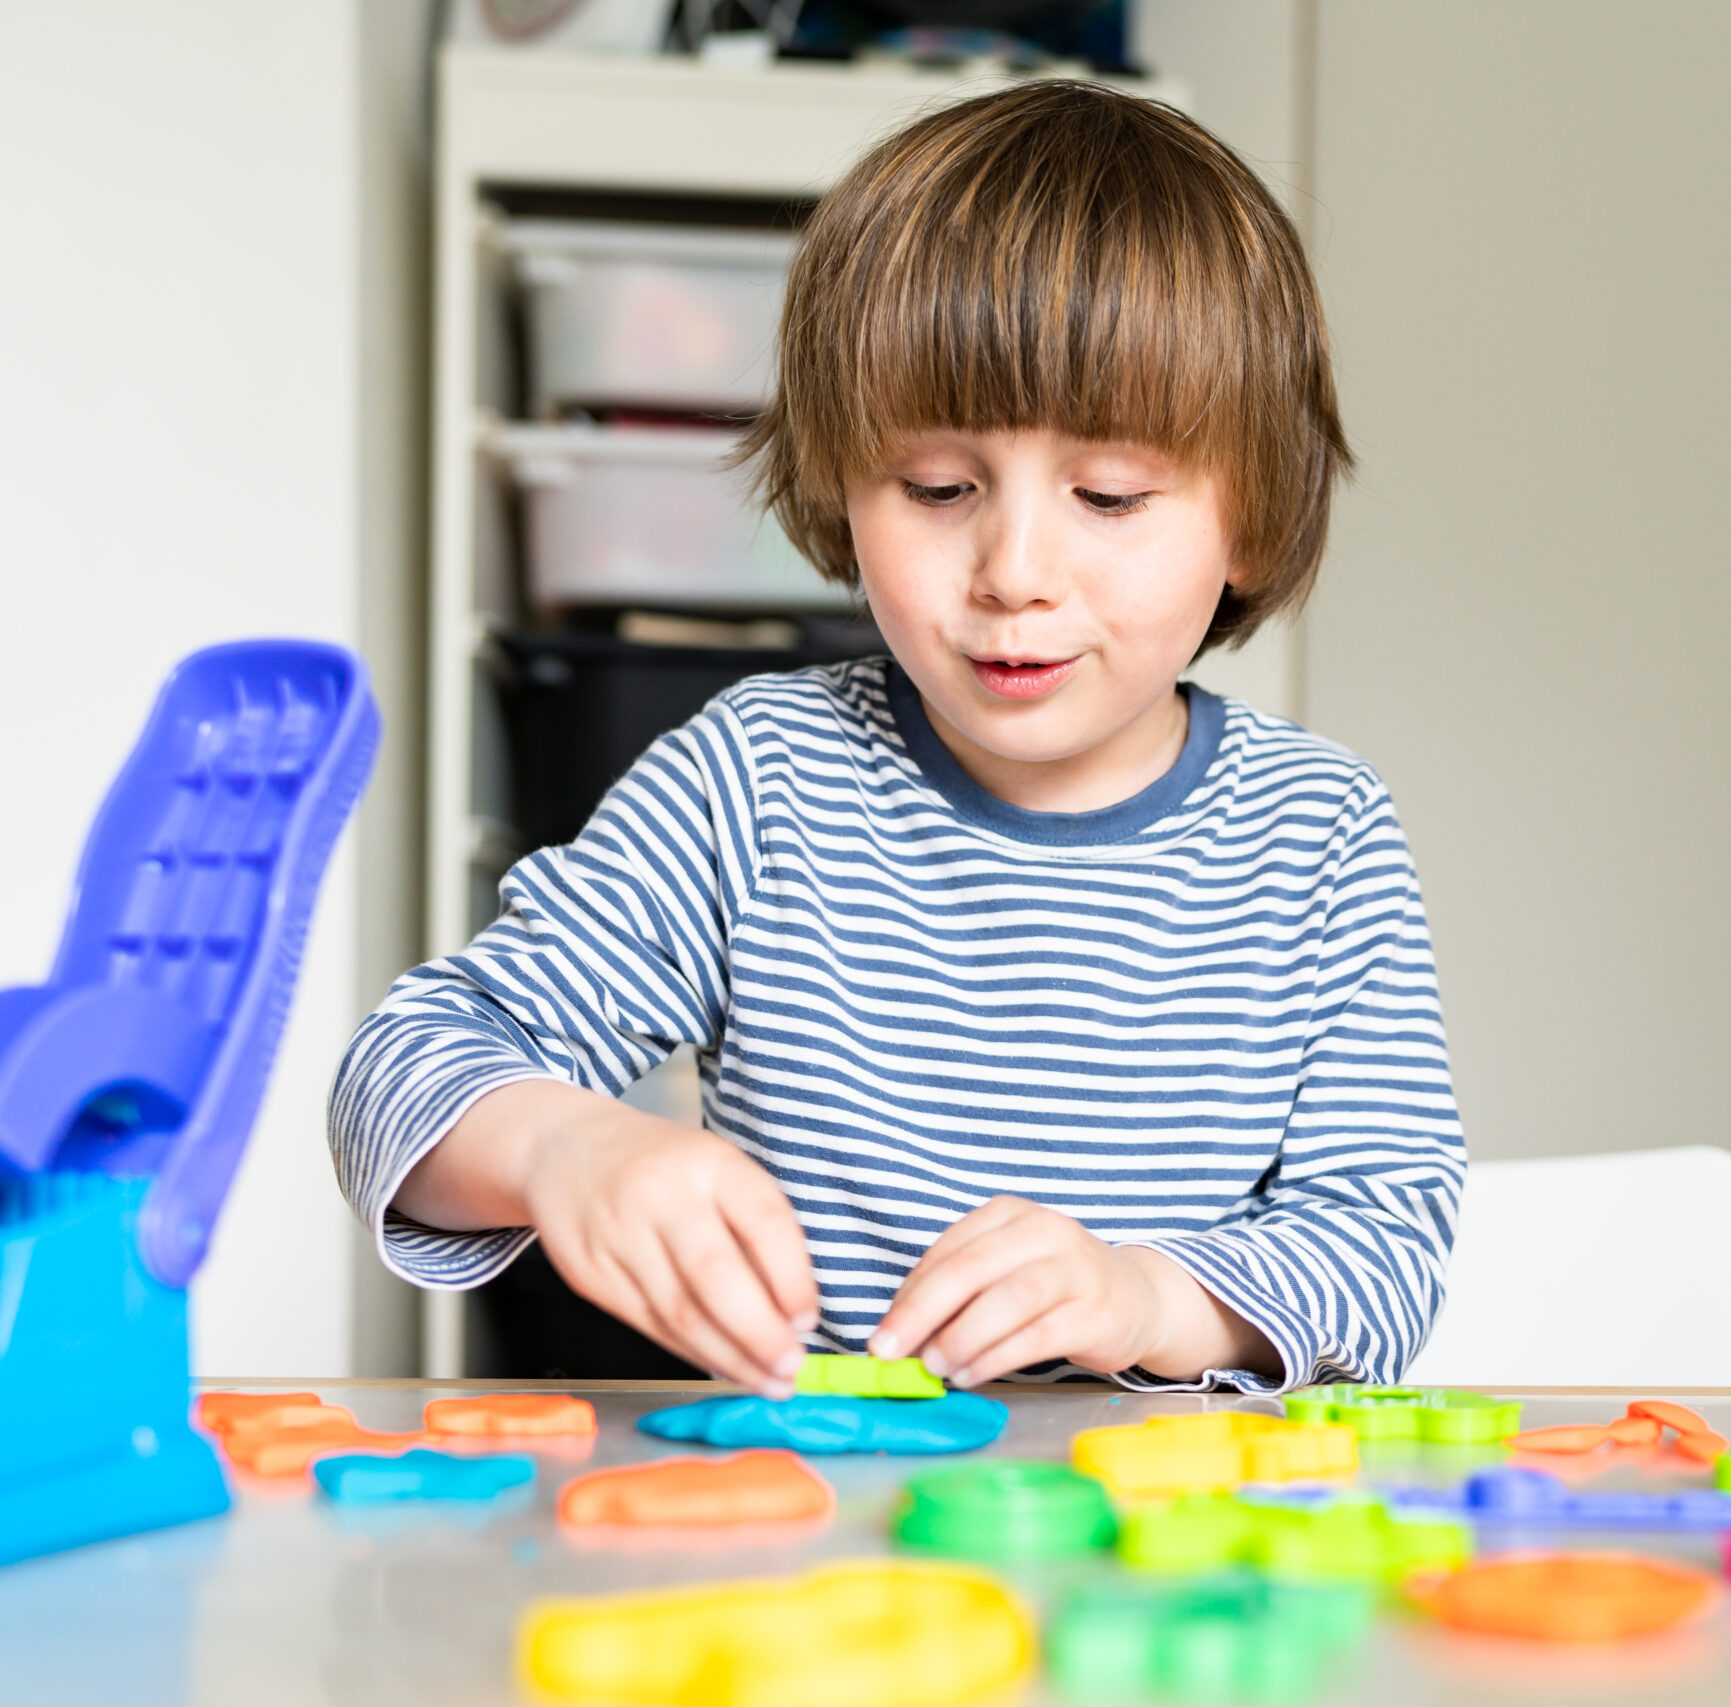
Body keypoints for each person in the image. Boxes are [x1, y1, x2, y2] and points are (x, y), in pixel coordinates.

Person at [330, 79, 1465, 1398]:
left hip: (1176, 1562)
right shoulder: (758, 783)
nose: (1014, 570)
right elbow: (397, 1074)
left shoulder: (1318, 831)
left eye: (1107, 495)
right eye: (937, 488)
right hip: (824, 1547)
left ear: (1251, 521)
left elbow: (1386, 1248)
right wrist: (561, 1148)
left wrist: (1147, 1294)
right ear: (840, 486)